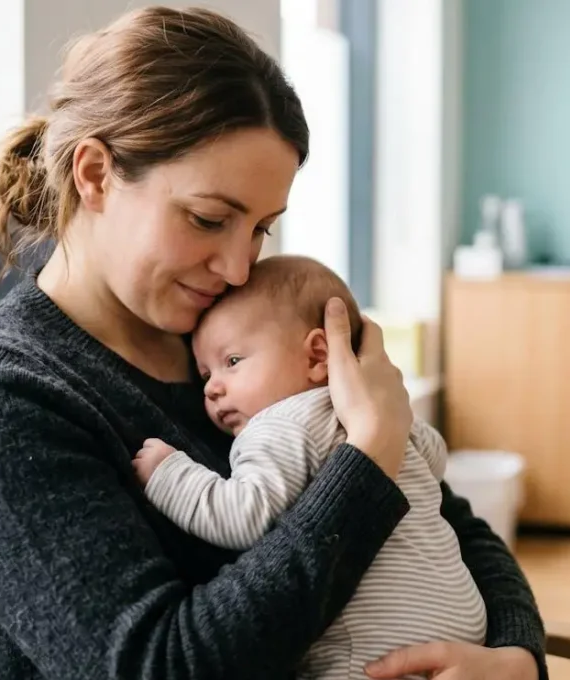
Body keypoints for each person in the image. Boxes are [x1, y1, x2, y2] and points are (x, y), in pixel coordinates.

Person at [0, 6, 547, 680]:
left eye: (261, 229)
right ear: (94, 175)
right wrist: (367, 457)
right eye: (208, 219)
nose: (238, 268)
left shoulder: (251, 331)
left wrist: (514, 656)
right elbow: (161, 667)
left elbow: (446, 519)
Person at [132, 255, 487, 679]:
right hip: (464, 625)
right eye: (205, 373)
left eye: (232, 362)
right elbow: (435, 457)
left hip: (373, 649)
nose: (211, 388)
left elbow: (244, 515)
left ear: (318, 354)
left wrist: (171, 473)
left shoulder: (278, 424)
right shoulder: (381, 409)